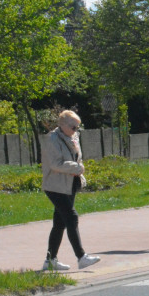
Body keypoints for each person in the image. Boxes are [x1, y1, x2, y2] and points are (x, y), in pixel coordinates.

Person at [41, 110, 101, 271]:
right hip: (55, 186)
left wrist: (77, 170)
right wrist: (77, 168)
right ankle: (81, 257)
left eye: (78, 127)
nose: (76, 130)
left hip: (70, 183)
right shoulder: (52, 139)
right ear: (62, 125)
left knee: (60, 223)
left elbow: (76, 157)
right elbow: (55, 163)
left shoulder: (73, 137)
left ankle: (50, 260)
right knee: (71, 217)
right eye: (73, 127)